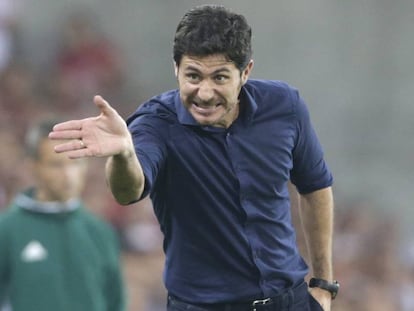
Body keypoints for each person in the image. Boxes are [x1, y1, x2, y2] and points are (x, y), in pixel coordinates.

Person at [49, 4, 338, 311]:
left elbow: (315, 186)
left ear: (246, 72)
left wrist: (323, 284)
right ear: (176, 68)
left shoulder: (284, 106)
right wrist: (123, 154)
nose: (204, 92)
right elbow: (128, 190)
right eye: (193, 76)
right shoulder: (155, 123)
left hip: (289, 301)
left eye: (220, 78)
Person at [0, 118, 126, 311]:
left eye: (76, 163)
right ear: (32, 166)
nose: (68, 175)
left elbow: (115, 302)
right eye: (56, 165)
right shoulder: (6, 230)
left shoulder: (101, 231)